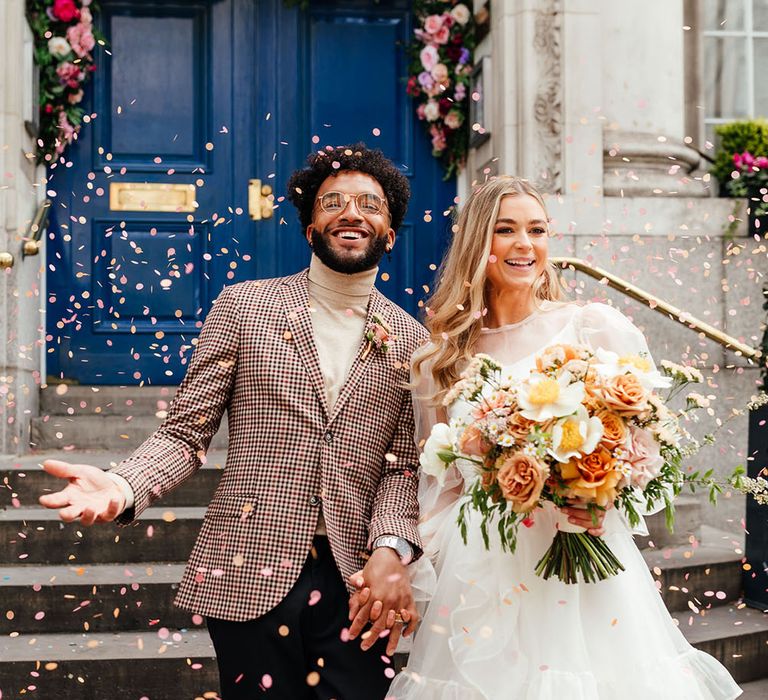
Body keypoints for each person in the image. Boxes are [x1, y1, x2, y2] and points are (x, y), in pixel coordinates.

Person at [38, 143, 427, 700]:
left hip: (361, 580)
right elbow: (184, 432)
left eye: (370, 203)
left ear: (389, 233)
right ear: (309, 228)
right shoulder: (243, 307)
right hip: (248, 567)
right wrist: (125, 485)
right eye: (332, 201)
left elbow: (403, 465)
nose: (351, 212)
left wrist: (392, 547)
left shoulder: (413, 342)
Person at [384, 176, 742, 699]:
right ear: (478, 244)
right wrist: (421, 569)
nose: (525, 244)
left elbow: (647, 452)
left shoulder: (591, 327)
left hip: (579, 563)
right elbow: (440, 486)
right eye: (505, 230)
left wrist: (604, 501)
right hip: (482, 563)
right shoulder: (443, 355)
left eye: (537, 229)